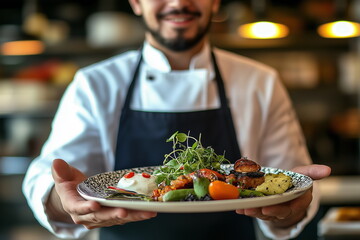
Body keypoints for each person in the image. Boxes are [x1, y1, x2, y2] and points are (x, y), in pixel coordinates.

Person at [23, 0, 331, 239]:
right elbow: (48, 182)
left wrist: (292, 207)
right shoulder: (95, 84)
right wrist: (62, 200)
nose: (178, 2)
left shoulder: (260, 82)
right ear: (135, 2)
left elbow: (290, 189)